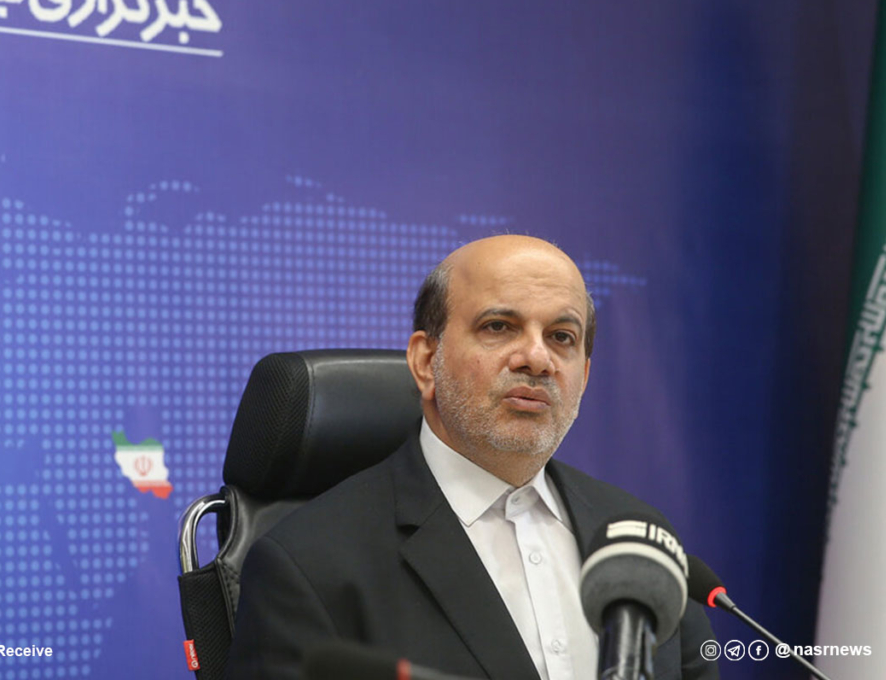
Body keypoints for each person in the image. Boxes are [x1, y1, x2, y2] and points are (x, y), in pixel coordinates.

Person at [225, 235, 718, 680]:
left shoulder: (640, 541)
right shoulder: (308, 565)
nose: (537, 359)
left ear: (583, 376)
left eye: (561, 337)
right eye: (499, 326)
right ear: (425, 362)